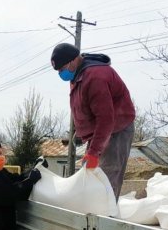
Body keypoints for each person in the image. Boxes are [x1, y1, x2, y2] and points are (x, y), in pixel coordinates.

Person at [51, 43, 135, 199]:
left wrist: (94, 152)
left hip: (116, 130)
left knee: (106, 178)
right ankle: (91, 214)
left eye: (62, 69)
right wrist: (79, 132)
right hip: (99, 131)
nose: (61, 73)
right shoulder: (77, 75)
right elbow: (82, 107)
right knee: (89, 174)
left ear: (73, 60)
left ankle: (106, 217)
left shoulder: (96, 77)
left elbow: (106, 119)